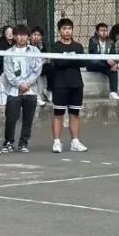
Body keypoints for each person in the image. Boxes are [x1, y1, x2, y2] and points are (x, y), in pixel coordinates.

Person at [2, 25, 42, 152]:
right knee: (11, 118)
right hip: (14, 90)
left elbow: (37, 70)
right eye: (18, 35)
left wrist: (27, 84)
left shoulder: (35, 51)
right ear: (14, 36)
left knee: (28, 119)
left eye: (24, 35)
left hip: (31, 90)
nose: (21, 38)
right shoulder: (8, 53)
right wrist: (20, 85)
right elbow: (8, 73)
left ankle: (23, 143)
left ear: (28, 37)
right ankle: (8, 142)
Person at [50, 18, 87, 153]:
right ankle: (57, 142)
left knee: (74, 114)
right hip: (60, 85)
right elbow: (58, 63)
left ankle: (75, 142)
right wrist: (72, 59)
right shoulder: (55, 47)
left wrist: (67, 58)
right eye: (64, 29)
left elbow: (83, 63)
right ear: (59, 31)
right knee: (58, 114)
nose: (67, 31)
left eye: (69, 28)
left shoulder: (78, 46)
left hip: (76, 84)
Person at [86, 22, 119, 100]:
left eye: (106, 30)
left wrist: (115, 62)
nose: (104, 32)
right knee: (95, 61)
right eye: (102, 30)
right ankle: (117, 64)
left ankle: (113, 93)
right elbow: (94, 54)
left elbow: (114, 54)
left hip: (104, 66)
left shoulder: (110, 41)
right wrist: (107, 60)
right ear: (97, 32)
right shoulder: (93, 40)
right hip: (93, 65)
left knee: (113, 69)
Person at [31, 27, 51, 106]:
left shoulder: (42, 45)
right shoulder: (27, 44)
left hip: (39, 66)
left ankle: (48, 90)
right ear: (31, 36)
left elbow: (45, 58)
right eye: (34, 34)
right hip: (30, 68)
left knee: (51, 67)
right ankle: (36, 96)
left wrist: (43, 61)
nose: (36, 36)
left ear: (41, 37)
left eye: (38, 35)